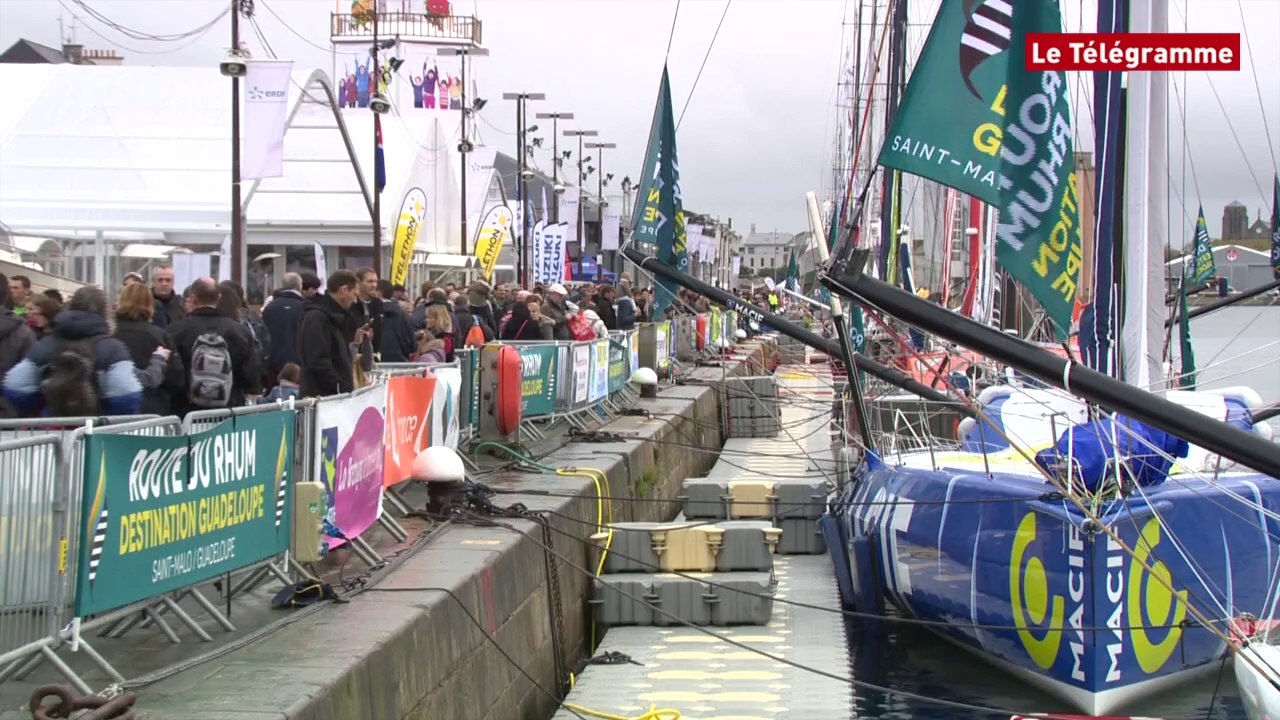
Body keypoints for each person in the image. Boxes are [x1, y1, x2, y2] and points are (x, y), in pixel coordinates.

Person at [3, 286, 142, 417]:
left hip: (53, 429)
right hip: (98, 432)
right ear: (107, 313)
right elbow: (126, 394)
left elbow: (15, 385)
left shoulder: (46, 344)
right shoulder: (113, 348)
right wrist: (109, 418)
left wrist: (37, 409)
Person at [168, 278, 262, 409]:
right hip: (228, 409)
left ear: (193, 298)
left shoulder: (176, 330)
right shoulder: (239, 331)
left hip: (186, 409)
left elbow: (171, 374)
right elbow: (251, 375)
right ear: (218, 298)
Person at [112, 282, 186, 415]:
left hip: (114, 409)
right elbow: (176, 379)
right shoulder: (159, 335)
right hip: (153, 409)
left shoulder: (110, 334)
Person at [298, 270, 360, 397]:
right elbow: (318, 362)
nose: (355, 301)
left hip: (334, 396)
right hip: (323, 398)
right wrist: (342, 387)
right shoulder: (317, 318)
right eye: (354, 294)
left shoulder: (337, 318)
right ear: (344, 290)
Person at [262, 272, 306, 381]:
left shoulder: (269, 308)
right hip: (299, 366)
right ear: (299, 286)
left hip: (273, 364)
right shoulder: (305, 308)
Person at [378, 280, 415, 362]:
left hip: (378, 363)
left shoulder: (374, 312)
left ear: (378, 292)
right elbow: (411, 342)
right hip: (400, 362)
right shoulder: (402, 314)